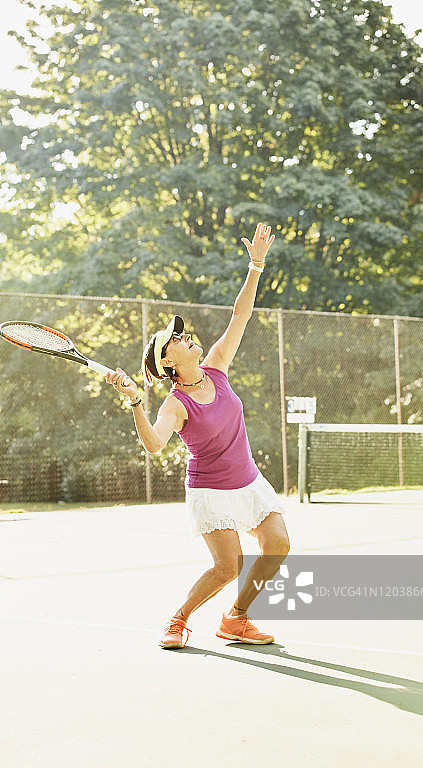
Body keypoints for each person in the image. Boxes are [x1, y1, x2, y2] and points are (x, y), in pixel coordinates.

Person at [106, 223, 290, 648]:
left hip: (248, 481)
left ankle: (237, 618)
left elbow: (240, 315)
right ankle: (178, 619)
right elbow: (153, 445)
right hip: (210, 491)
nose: (186, 336)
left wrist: (256, 265)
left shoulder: (216, 366)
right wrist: (136, 401)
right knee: (227, 567)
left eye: (184, 333)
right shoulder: (174, 404)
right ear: (168, 361)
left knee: (277, 544)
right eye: (176, 338)